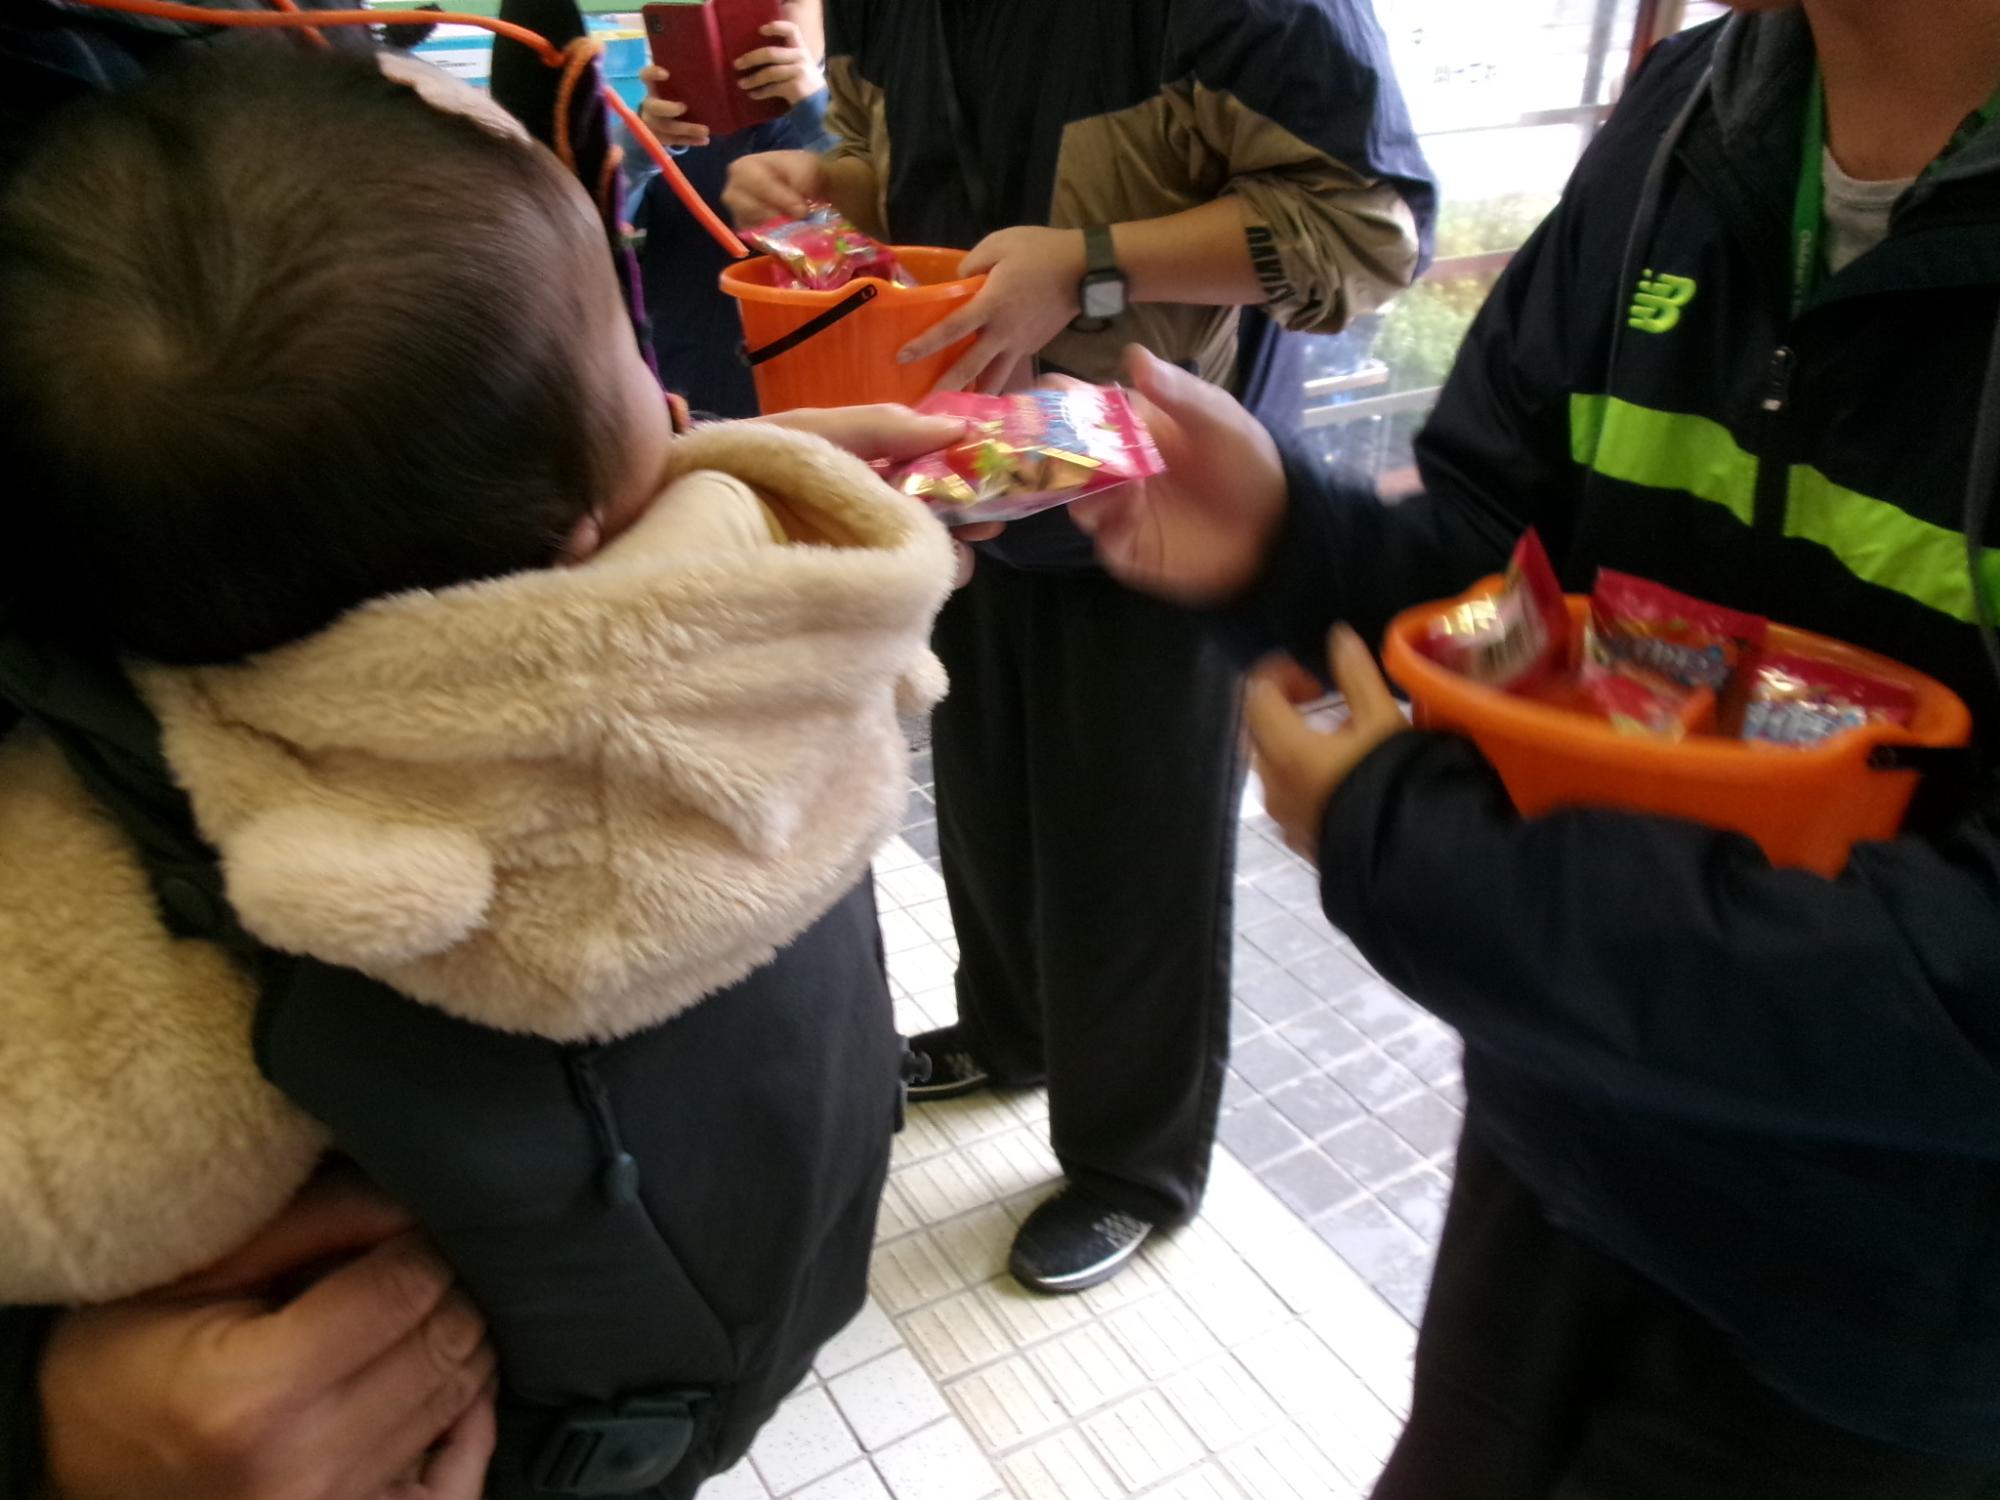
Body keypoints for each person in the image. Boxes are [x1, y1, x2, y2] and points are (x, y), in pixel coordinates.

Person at [0, 38, 966, 1500]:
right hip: (738, 1275)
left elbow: (61, 1166)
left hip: (531, 1420)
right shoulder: (792, 607)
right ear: (591, 522)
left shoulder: (178, 784)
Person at [1074, 0, 2000, 1490]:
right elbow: (1506, 590)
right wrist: (1289, 549)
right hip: (1560, 1167)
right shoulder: (1703, 110)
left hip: (1891, 1342)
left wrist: (1406, 844)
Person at [725, 0, 1435, 1296]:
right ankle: (1011, 1032)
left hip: (1166, 485)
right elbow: (922, 180)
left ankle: (1132, 1166)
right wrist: (824, 184)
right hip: (968, 465)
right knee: (987, 791)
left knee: (1136, 850)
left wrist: (1090, 266)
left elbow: (1366, 232)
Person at [633, 0, 830, 417]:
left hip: (824, 406)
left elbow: (889, 243)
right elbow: (592, 229)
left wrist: (817, 114)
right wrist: (639, 147)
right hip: (683, 404)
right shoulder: (669, 125)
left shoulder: (869, 121)